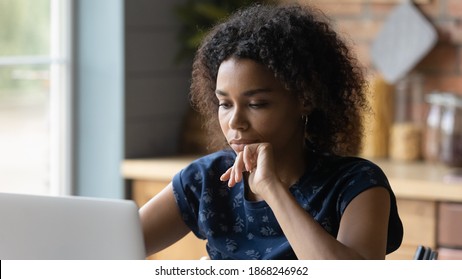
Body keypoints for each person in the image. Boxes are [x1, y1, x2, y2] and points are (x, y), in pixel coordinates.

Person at [139, 3, 403, 260]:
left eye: (256, 104)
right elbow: (108, 247)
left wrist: (271, 188)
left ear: (305, 99)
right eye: (225, 104)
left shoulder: (357, 185)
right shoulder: (206, 180)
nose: (235, 122)